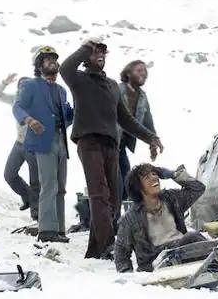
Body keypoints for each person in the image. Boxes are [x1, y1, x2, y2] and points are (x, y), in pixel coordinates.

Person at [60, 38, 164, 259]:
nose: (100, 55)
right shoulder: (79, 79)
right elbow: (65, 67)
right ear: (87, 58)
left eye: (103, 53)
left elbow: (125, 119)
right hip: (89, 142)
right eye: (95, 52)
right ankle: (108, 245)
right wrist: (86, 47)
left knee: (114, 198)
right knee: (99, 196)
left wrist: (150, 137)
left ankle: (96, 250)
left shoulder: (111, 86)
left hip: (111, 145)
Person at [13, 46, 74, 241]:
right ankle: (47, 231)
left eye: (54, 59)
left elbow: (66, 117)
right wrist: (30, 121)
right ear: (39, 65)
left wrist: (75, 111)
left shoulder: (62, 91)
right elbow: (18, 107)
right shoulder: (31, 85)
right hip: (42, 140)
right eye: (47, 59)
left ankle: (59, 229)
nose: (52, 62)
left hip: (61, 140)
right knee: (49, 184)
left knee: (61, 186)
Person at [114, 163, 207, 273]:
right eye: (147, 177)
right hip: (156, 264)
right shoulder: (130, 218)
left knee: (201, 240)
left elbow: (198, 188)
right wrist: (128, 276)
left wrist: (174, 174)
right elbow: (121, 251)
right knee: (192, 237)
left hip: (182, 251)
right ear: (138, 187)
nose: (154, 177)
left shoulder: (171, 199)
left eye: (155, 174)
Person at [0, 72, 38, 210]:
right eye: (20, 86)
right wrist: (5, 82)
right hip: (19, 144)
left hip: (34, 146)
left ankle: (37, 213)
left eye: (26, 85)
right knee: (9, 175)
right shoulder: (15, 99)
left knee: (36, 181)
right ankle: (27, 196)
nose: (23, 88)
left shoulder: (37, 100)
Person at [117, 60, 158, 201]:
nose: (143, 73)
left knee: (125, 183)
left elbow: (148, 121)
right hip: (109, 141)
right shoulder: (116, 89)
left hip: (122, 145)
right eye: (139, 70)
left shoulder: (142, 96)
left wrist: (154, 141)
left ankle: (114, 218)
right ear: (128, 73)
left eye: (145, 71)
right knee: (115, 182)